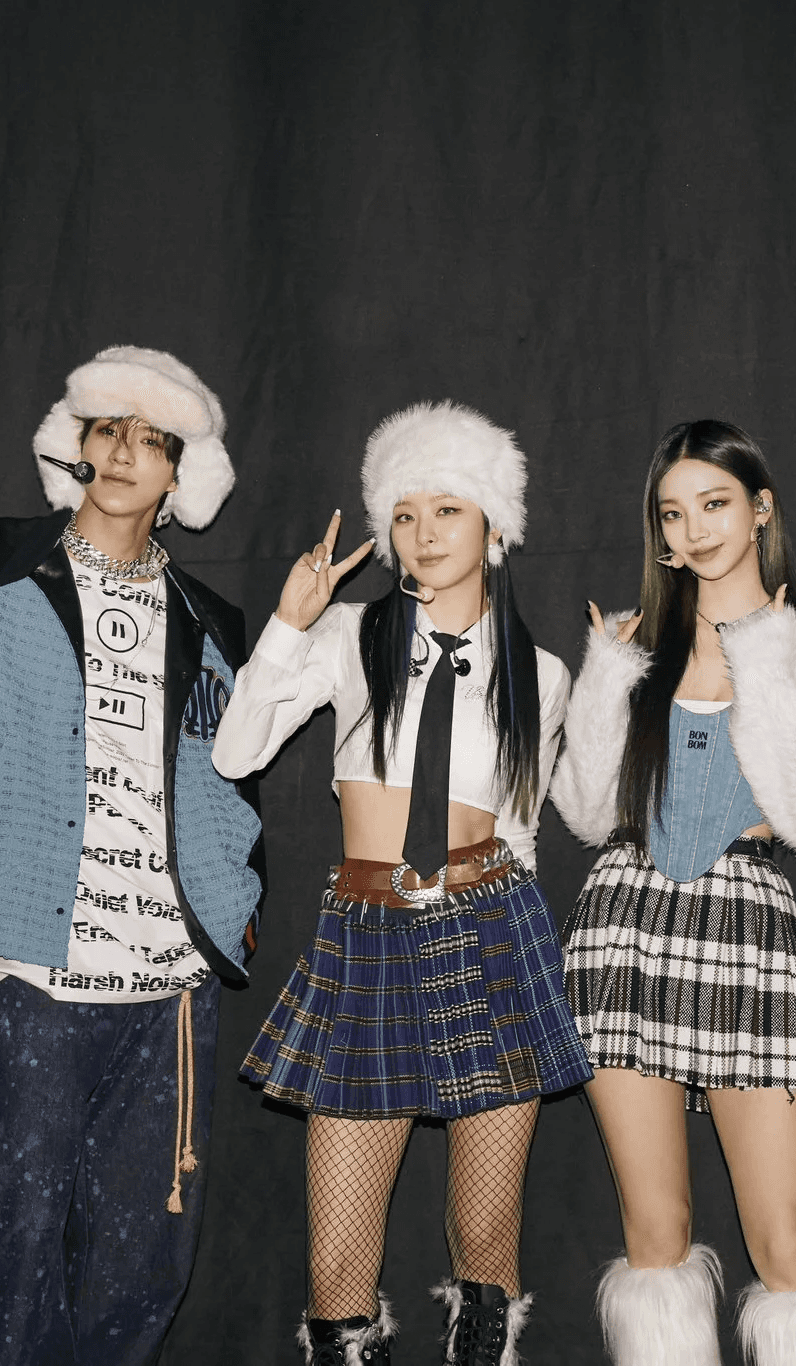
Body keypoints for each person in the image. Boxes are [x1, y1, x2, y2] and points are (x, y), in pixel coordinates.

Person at [0, 345, 264, 1365]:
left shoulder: (212, 623)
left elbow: (235, 779)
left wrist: (232, 898)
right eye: (109, 429)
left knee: (148, 1259)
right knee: (20, 1241)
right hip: (43, 964)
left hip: (172, 983)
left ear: (182, 471)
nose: (127, 452)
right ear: (75, 445)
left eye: (154, 439)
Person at [213, 400, 593, 1366]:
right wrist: (289, 624)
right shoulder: (351, 634)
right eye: (406, 514)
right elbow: (235, 752)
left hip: (493, 926)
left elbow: (525, 828)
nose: (424, 534)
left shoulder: (541, 671)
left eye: (448, 510)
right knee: (337, 1264)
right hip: (369, 929)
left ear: (494, 524)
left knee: (487, 1242)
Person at [551, 420, 796, 1366]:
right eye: (673, 513)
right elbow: (585, 812)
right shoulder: (634, 643)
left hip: (745, 926)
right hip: (623, 928)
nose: (693, 529)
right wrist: (605, 676)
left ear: (761, 508)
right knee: (654, 1234)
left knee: (786, 1242)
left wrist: (761, 655)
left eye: (715, 503)